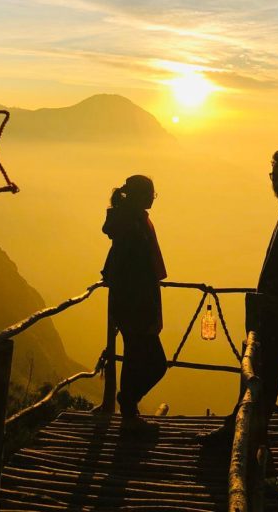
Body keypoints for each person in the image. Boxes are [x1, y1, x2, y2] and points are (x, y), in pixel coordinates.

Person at [201, 148, 278, 444]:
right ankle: (243, 433)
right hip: (277, 307)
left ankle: (243, 439)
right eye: (275, 176)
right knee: (260, 375)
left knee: (262, 376)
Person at [101, 174, 168, 429]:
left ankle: (129, 413)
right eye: (150, 193)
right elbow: (137, 272)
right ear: (140, 196)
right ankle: (128, 405)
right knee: (155, 363)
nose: (153, 198)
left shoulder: (131, 221)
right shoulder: (133, 226)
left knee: (133, 357)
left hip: (127, 303)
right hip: (135, 305)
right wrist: (150, 312)